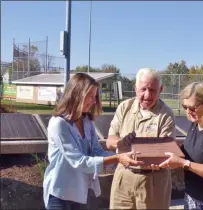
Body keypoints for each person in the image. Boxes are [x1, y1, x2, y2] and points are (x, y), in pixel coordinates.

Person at [43, 73, 144, 210]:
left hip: (81, 192)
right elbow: (79, 161)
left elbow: (96, 152)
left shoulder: (87, 122)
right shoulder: (58, 124)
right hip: (59, 195)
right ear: (76, 94)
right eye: (90, 95)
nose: (94, 101)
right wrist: (118, 159)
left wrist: (125, 156)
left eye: (95, 96)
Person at [106, 68, 176, 209]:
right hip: (123, 178)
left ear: (160, 90)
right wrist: (120, 142)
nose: (147, 95)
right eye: (143, 89)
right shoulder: (124, 108)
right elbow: (110, 141)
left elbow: (164, 152)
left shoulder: (166, 115)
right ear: (135, 88)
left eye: (153, 90)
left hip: (153, 181)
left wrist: (158, 158)